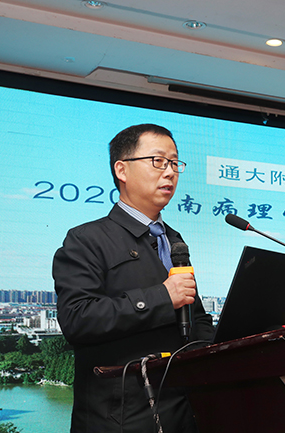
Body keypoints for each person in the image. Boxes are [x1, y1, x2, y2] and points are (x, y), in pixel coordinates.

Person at [53, 124, 215, 433]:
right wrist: (162, 297)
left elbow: (195, 319)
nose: (170, 172)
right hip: (120, 419)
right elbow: (77, 320)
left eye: (174, 163)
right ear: (122, 170)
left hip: (183, 412)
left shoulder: (174, 241)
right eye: (158, 161)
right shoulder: (86, 239)